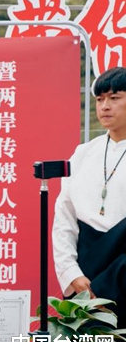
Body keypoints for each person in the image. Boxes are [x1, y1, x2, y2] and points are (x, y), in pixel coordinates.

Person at [53, 66, 126, 325]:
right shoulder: (83, 154)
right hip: (87, 269)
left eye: (114, 98)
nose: (105, 106)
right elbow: (64, 220)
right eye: (100, 99)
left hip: (123, 269)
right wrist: (71, 273)